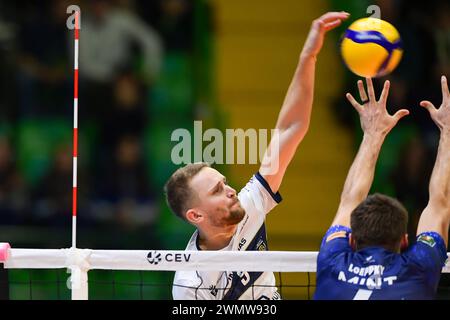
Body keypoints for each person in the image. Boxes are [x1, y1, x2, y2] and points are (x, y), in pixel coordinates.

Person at [164, 12, 350, 300]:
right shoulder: (191, 284)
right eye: (217, 191)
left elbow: (292, 127)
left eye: (224, 183)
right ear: (195, 214)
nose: (230, 191)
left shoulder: (249, 204)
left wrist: (308, 56)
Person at [314, 77, 450, 300]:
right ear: (405, 241)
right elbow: (440, 204)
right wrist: (447, 131)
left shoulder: (332, 261)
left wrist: (372, 134)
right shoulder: (419, 269)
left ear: (351, 240)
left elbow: (350, 198)